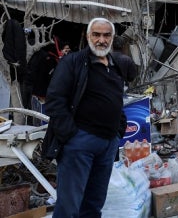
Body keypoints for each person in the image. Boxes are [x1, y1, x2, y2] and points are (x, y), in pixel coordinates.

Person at [44, 18, 129, 218]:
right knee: (69, 206)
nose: (101, 40)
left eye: (106, 35)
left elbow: (117, 99)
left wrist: (118, 131)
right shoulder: (73, 62)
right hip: (79, 142)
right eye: (96, 34)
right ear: (88, 36)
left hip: (108, 144)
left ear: (112, 38)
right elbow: (55, 100)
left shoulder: (115, 65)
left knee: (94, 204)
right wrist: (71, 135)